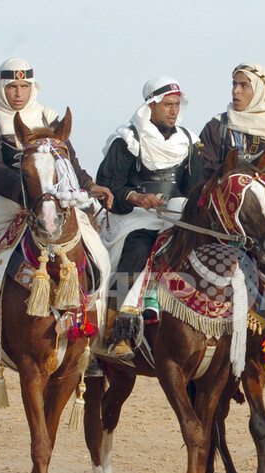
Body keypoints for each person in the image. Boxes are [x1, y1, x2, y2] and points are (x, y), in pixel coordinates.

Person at [0, 58, 113, 348]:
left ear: (32, 87)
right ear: (1, 88)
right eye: (12, 86)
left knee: (97, 249)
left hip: (54, 203)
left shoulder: (49, 117)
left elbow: (70, 162)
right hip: (6, 201)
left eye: (24, 86)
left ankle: (94, 322)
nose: (19, 93)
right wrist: (28, 190)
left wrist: (89, 185)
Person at [96, 76, 203, 360]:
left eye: (177, 104)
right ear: (151, 105)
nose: (173, 110)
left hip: (176, 217)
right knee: (138, 250)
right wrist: (136, 197)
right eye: (168, 104)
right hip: (135, 216)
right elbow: (108, 183)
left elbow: (196, 187)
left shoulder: (188, 141)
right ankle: (113, 332)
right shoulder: (128, 140)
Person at [198, 62, 265, 179]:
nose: (235, 91)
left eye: (244, 85)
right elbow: (201, 171)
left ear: (259, 91)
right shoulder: (217, 127)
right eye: (234, 84)